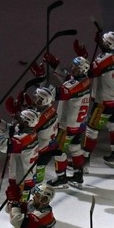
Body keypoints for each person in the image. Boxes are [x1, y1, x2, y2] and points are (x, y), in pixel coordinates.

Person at [74, 32, 114, 169]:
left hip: (104, 102)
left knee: (92, 130)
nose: (101, 43)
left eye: (103, 42)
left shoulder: (102, 60)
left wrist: (83, 56)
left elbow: (88, 73)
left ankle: (84, 160)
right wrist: (99, 41)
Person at [47, 56, 92, 188]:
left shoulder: (73, 86)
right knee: (75, 148)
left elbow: (54, 94)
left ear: (83, 70)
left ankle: (61, 178)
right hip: (79, 124)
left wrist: (41, 84)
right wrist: (55, 66)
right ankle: (78, 176)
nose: (72, 69)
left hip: (67, 125)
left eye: (76, 68)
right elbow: (68, 79)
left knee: (58, 151)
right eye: (73, 65)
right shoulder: (85, 81)